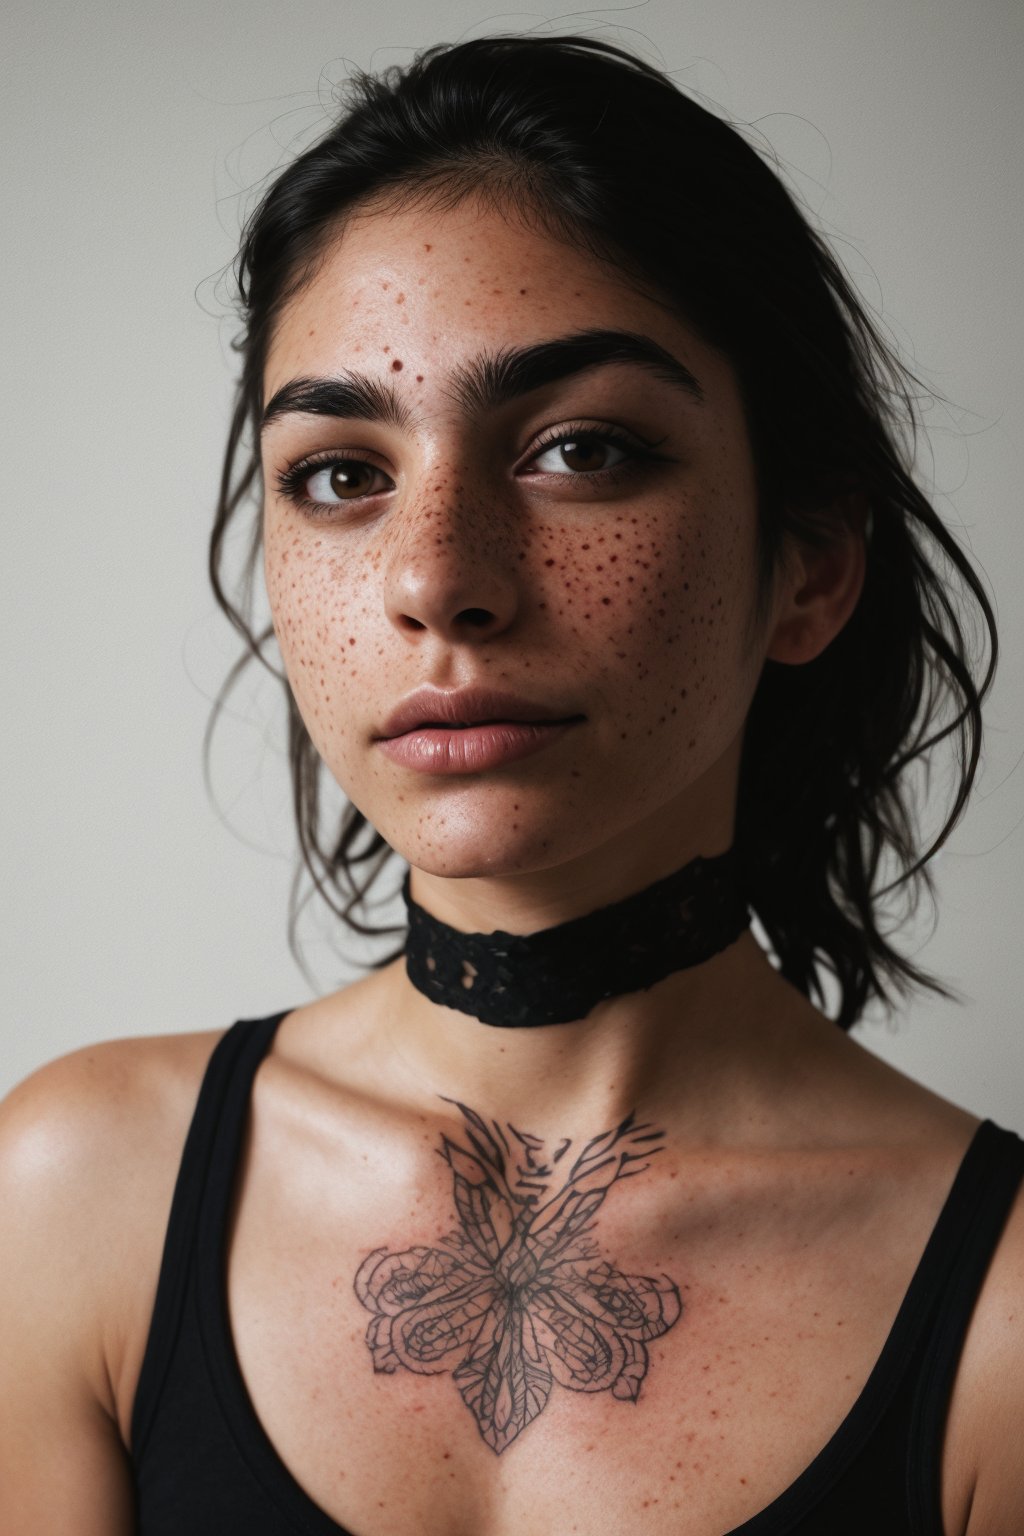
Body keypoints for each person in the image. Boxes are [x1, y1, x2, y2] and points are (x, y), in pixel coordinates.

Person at [1, 31, 1021, 1536]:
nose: (434, 581)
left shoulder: (1003, 1315)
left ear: (809, 566)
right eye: (342, 473)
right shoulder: (78, 1197)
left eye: (580, 450)